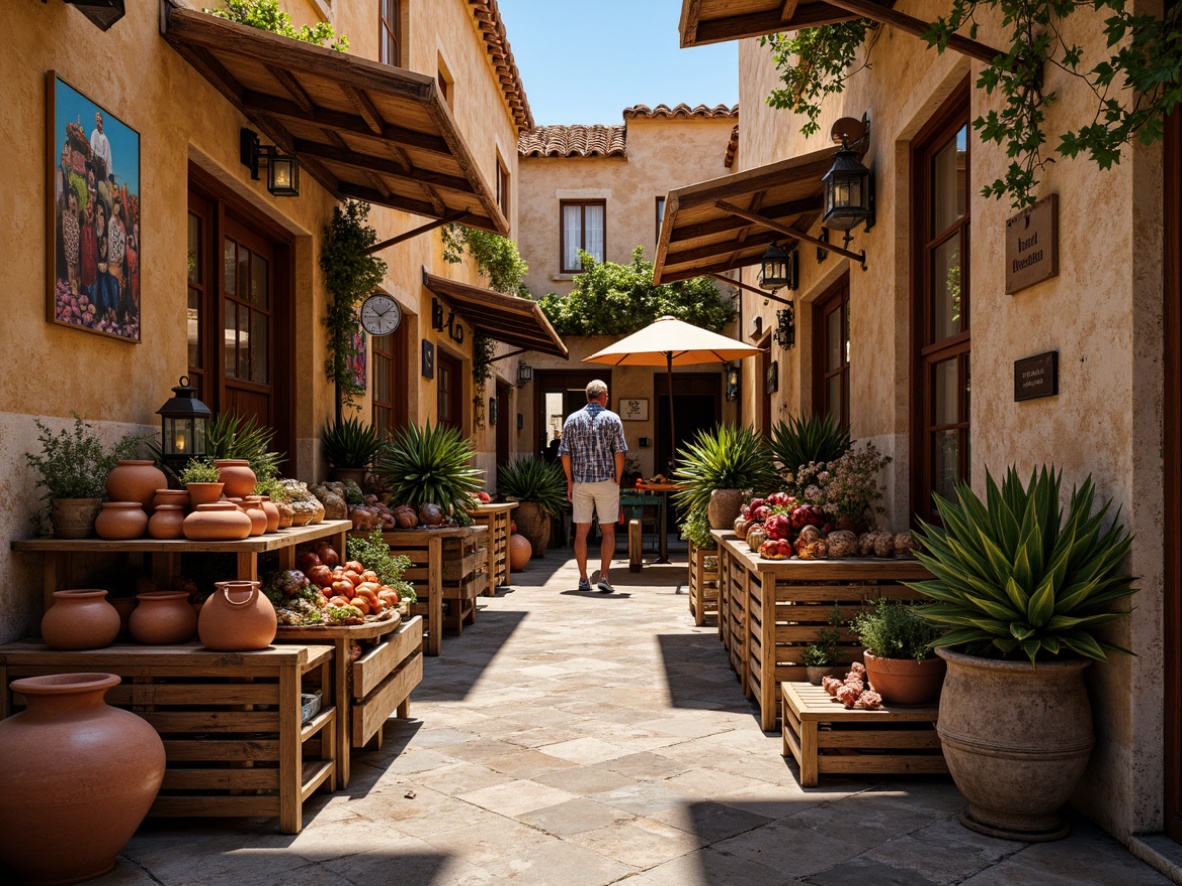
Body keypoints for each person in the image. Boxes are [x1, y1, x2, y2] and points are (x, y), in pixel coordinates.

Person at [559, 380, 627, 593]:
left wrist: (570, 481)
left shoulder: (571, 420)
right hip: (606, 481)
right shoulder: (613, 419)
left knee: (581, 532)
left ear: (587, 396)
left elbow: (565, 455)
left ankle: (582, 578)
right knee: (608, 530)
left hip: (581, 482)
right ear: (604, 395)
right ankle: (604, 576)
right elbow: (619, 453)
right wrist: (618, 478)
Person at [89, 111, 112, 182]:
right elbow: (92, 149)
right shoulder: (94, 133)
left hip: (103, 170)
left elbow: (108, 158)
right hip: (95, 165)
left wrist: (108, 173)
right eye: (97, 120)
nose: (98, 122)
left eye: (100, 120)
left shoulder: (105, 139)